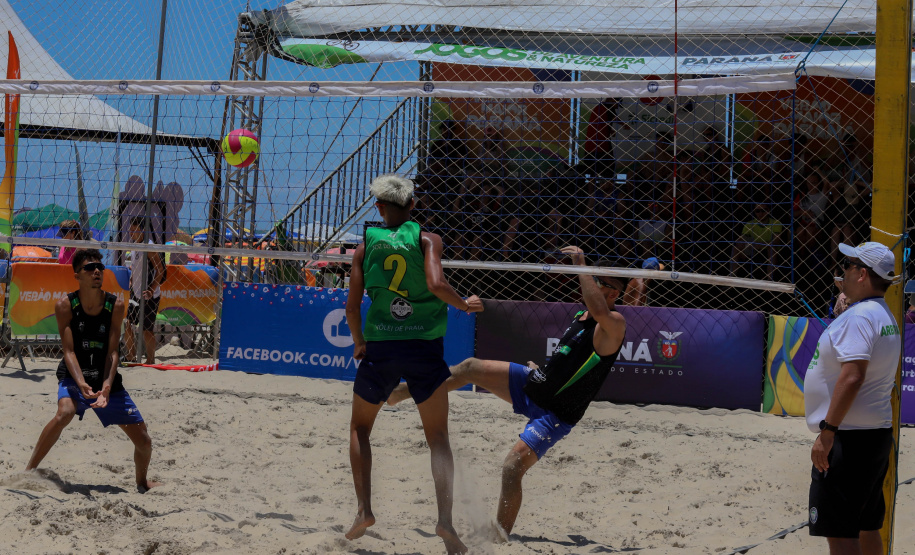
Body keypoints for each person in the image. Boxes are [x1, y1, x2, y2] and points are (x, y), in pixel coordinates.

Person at [387, 247, 627, 538]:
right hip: (535, 384)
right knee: (468, 367)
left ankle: (499, 534)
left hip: (556, 414)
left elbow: (599, 311)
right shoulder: (581, 315)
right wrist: (541, 369)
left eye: (597, 280)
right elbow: (570, 360)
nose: (589, 282)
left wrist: (580, 263)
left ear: (613, 293)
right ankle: (402, 392)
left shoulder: (614, 324)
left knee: (512, 468)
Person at [343, 174, 484, 554]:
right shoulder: (427, 239)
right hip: (423, 347)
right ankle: (445, 521)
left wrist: (359, 341)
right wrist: (464, 305)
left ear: (379, 208)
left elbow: (352, 307)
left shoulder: (363, 247)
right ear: (413, 205)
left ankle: (364, 511)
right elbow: (437, 285)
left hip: (382, 348)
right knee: (438, 438)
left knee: (360, 429)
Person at [25, 249, 161, 492]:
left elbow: (113, 352)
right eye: (90, 268)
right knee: (64, 412)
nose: (97, 271)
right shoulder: (65, 305)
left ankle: (142, 482)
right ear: (77, 274)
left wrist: (107, 384)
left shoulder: (115, 305)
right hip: (74, 372)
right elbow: (68, 352)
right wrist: (81, 383)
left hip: (105, 375)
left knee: (144, 441)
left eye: (100, 266)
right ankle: (28, 471)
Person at [804, 242, 901, 555]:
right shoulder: (883, 315)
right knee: (866, 525)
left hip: (849, 440)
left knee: (842, 534)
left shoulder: (860, 318)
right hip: (873, 437)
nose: (841, 271)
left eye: (847, 265)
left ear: (861, 274)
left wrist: (828, 430)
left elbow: (853, 376)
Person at [125, 216, 166, 364]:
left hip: (149, 294)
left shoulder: (149, 246)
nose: (131, 234)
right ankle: (131, 356)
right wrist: (132, 278)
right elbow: (136, 266)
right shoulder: (136, 245)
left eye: (135, 231)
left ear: (143, 231)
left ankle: (150, 360)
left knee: (146, 329)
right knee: (127, 323)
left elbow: (160, 269)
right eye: (130, 231)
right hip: (135, 292)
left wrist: (151, 289)